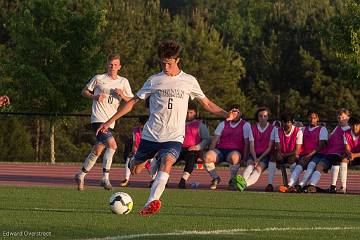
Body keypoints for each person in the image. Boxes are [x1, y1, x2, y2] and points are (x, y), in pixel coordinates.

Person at [96, 40, 238, 216]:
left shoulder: (189, 81)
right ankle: (146, 161)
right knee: (135, 169)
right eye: (163, 62)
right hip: (151, 135)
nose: (165, 66)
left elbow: (207, 102)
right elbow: (132, 102)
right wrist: (109, 122)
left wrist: (227, 115)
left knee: (168, 161)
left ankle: (151, 202)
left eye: (169, 63)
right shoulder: (154, 80)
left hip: (174, 136)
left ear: (177, 61)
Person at [74, 54, 134, 191]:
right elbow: (84, 91)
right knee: (112, 145)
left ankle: (81, 174)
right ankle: (105, 178)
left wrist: (122, 95)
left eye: (115, 65)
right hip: (98, 119)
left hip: (111, 121)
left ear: (120, 67)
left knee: (98, 150)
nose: (112, 67)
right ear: (107, 65)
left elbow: (131, 101)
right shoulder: (98, 78)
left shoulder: (123, 82)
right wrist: (94, 96)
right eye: (110, 64)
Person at [203, 104, 251, 190]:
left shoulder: (245, 125)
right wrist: (210, 152)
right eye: (231, 111)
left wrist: (245, 157)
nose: (233, 113)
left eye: (235, 111)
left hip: (235, 151)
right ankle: (215, 178)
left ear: (240, 113)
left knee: (234, 157)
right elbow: (215, 140)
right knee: (207, 157)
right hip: (221, 150)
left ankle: (232, 179)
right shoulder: (223, 124)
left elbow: (247, 143)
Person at [305, 109, 350, 193]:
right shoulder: (337, 128)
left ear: (348, 118)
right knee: (319, 166)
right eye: (339, 117)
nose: (340, 119)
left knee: (335, 164)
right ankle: (312, 185)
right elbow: (330, 137)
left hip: (340, 154)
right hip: (330, 153)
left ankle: (339, 187)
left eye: (343, 117)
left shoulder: (349, 130)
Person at [284, 110, 328, 192]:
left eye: (314, 118)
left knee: (311, 165)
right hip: (305, 154)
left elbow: (321, 145)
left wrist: (309, 156)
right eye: (310, 117)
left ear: (317, 118)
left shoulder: (322, 129)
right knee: (298, 167)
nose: (312, 120)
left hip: (317, 154)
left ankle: (300, 186)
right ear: (308, 118)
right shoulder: (303, 129)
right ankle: (290, 185)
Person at [174, 101, 210, 189]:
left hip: (192, 149)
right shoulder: (178, 123)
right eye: (186, 112)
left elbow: (206, 139)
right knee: (166, 158)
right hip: (178, 148)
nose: (188, 114)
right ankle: (160, 180)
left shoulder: (200, 125)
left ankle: (183, 180)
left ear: (195, 113)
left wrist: (197, 147)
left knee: (191, 158)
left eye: (190, 112)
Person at [241, 107, 276, 191]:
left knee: (258, 168)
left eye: (265, 116)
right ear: (257, 117)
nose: (263, 118)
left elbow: (269, 148)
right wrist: (255, 158)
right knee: (250, 164)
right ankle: (241, 183)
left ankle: (243, 184)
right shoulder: (252, 128)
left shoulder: (272, 129)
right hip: (254, 154)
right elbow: (251, 146)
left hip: (266, 155)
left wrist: (259, 159)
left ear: (268, 117)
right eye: (260, 116)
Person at [267, 112, 303, 192]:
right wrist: (280, 153)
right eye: (284, 122)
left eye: (288, 122)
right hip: (282, 154)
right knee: (273, 157)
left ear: (292, 122)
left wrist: (283, 154)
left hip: (292, 155)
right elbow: (278, 146)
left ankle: (294, 185)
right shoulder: (277, 131)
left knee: (292, 159)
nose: (286, 124)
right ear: (281, 122)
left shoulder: (298, 132)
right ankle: (270, 184)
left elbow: (296, 151)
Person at [120, 116, 155, 187]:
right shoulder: (135, 130)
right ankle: (126, 179)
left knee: (152, 162)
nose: (143, 126)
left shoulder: (153, 131)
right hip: (139, 152)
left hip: (150, 152)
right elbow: (134, 144)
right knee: (129, 158)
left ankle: (155, 180)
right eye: (142, 124)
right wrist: (134, 152)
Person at [340, 116, 360, 193]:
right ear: (350, 125)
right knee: (344, 160)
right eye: (353, 125)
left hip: (358, 155)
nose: (355, 127)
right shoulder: (346, 133)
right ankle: (343, 187)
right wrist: (350, 154)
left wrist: (354, 155)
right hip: (352, 155)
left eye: (357, 125)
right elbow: (347, 148)